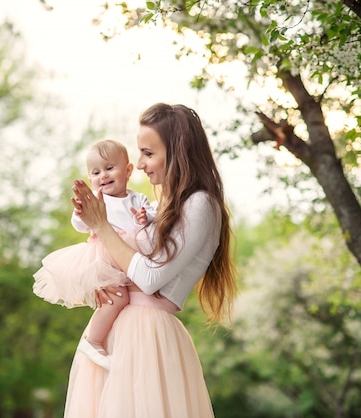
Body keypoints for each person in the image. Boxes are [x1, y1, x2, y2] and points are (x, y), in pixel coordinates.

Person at [65, 103, 237, 417]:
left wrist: (102, 225)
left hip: (148, 334)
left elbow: (150, 278)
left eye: (148, 153)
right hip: (122, 329)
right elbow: (126, 261)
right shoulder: (162, 205)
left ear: (176, 152)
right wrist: (99, 280)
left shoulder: (200, 204)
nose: (140, 164)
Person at [33, 139, 156, 369]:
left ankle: (111, 339)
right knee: (116, 299)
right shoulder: (100, 200)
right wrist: (81, 212)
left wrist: (144, 218)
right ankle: (93, 340)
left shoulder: (137, 198)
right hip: (104, 257)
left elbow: (149, 215)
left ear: (128, 170)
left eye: (110, 168)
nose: (104, 176)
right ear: (90, 180)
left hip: (129, 255)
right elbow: (80, 225)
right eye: (96, 172)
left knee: (130, 299)